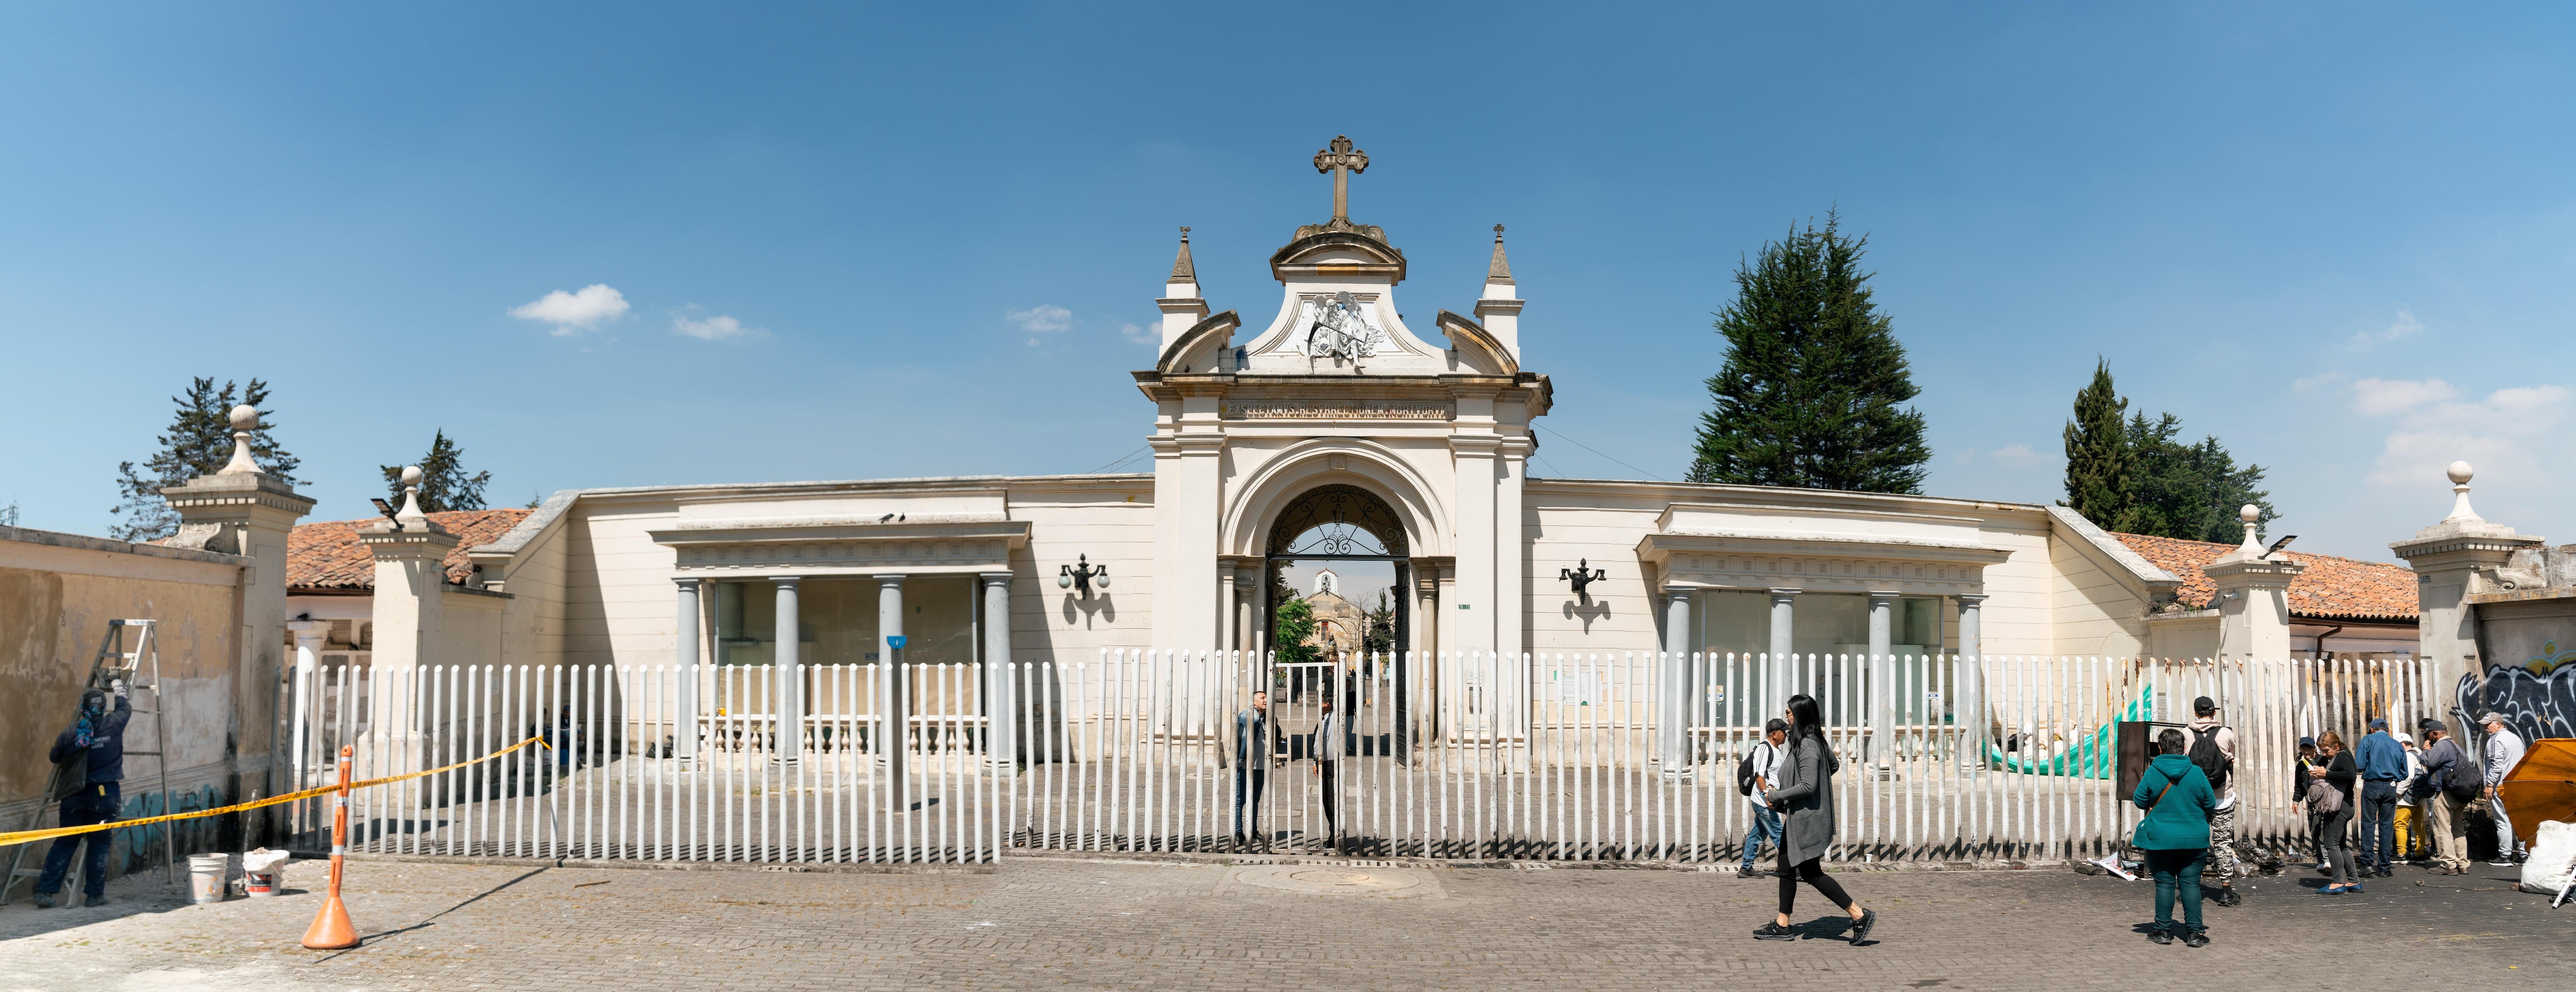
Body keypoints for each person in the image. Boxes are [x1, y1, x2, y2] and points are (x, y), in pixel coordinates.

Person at [1753, 694, 1876, 945]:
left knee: (1810, 873)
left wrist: (1779, 794)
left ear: (1800, 715)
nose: (1786, 716)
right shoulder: (1811, 742)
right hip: (1802, 817)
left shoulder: (1808, 746)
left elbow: (1809, 785)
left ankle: (1859, 914)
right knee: (1787, 868)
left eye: (1789, 712)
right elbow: (1832, 765)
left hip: (1808, 820)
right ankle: (1782, 925)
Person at [35, 681, 131, 909]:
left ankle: (45, 892)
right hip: (104, 794)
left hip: (73, 795)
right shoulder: (114, 724)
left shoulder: (71, 733)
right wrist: (118, 684)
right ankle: (95, 896)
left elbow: (54, 758)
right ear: (103, 708)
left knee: (65, 842)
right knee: (99, 844)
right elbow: (124, 707)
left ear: (82, 709)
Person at [2133, 727, 2217, 946]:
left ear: (2160, 748)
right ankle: (2195, 934)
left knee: (2165, 885)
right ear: (2185, 748)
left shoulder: (2153, 771)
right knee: (2191, 885)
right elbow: (2210, 803)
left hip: (2160, 839)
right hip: (2194, 839)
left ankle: (2162, 932)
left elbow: (2140, 800)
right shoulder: (2197, 772)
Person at [2180, 697, 2242, 904]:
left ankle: (2191, 889)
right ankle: (2226, 891)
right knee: (2223, 843)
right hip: (2222, 797)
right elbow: (2231, 757)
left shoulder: (2186, 734)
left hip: (2195, 798)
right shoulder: (2226, 733)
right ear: (2214, 713)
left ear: (2196, 713)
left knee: (2195, 843)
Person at [2414, 720, 2470, 875]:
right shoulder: (2455, 745)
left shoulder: (2442, 745)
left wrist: (2425, 751)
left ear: (2436, 733)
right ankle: (2463, 864)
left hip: (2446, 793)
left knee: (2442, 828)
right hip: (2460, 793)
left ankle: (2448, 864)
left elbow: (2430, 762)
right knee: (2458, 829)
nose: (2428, 739)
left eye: (2428, 735)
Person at [2308, 730, 2360, 894]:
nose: (2324, 754)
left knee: (2331, 844)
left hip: (2340, 806)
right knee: (2341, 845)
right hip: (2345, 804)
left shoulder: (2343, 756)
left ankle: (2338, 883)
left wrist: (2326, 774)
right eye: (2322, 751)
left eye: (2327, 751)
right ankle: (2354, 881)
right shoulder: (2337, 756)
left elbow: (2351, 775)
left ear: (2336, 746)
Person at [2354, 717, 2405, 878]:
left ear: (2372, 729)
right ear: (2388, 730)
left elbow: (2359, 765)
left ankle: (2367, 864)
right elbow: (2404, 773)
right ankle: (2384, 867)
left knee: (2368, 824)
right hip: (2390, 786)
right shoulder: (2397, 745)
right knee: (2387, 827)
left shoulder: (2368, 740)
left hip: (2372, 785)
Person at [1738, 718, 1788, 879]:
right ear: (1774, 734)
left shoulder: (1776, 750)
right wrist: (1768, 797)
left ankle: (1746, 868)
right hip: (1764, 802)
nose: (1786, 735)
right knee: (1780, 835)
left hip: (1769, 801)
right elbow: (1759, 776)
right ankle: (1795, 868)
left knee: (1757, 834)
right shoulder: (1764, 748)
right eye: (1783, 732)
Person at [2478, 712, 2528, 866]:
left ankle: (2505, 855)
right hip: (2517, 785)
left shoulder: (2496, 739)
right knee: (2520, 820)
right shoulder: (2516, 739)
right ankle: (2524, 855)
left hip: (2501, 786)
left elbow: (2496, 765)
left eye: (2488, 724)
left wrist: (2489, 785)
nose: (2486, 728)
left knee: (2503, 820)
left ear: (2498, 724)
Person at [1232, 691, 1278, 849]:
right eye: (1262, 698)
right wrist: (1240, 759)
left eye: (1266, 698)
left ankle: (1252, 830)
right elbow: (1243, 739)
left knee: (1255, 801)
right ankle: (1238, 834)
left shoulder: (1264, 717)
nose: (1266, 700)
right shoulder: (1248, 715)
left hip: (1260, 766)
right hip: (1246, 766)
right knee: (1240, 801)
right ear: (1253, 702)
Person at [1313, 690, 1345, 852]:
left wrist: (1336, 671)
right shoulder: (1324, 719)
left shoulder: (1336, 718)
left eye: (1321, 703)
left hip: (1333, 764)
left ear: (1328, 704)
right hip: (1323, 763)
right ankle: (1334, 834)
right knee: (1327, 802)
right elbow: (1318, 741)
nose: (1318, 706)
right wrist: (1315, 761)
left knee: (1333, 803)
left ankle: (1335, 838)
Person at [2393, 732, 2423, 863]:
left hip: (2408, 797)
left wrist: (2399, 792)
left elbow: (2408, 777)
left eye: (2400, 745)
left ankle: (2401, 855)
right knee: (2418, 825)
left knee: (2400, 824)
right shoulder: (2419, 755)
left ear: (2408, 744)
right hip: (2419, 796)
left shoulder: (2408, 756)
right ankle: (2419, 854)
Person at [2292, 736, 2322, 868]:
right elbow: (2299, 786)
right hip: (2311, 801)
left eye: (2309, 748)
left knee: (2326, 830)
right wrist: (2296, 801)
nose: (2306, 751)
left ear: (2315, 748)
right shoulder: (2301, 766)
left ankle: (2329, 859)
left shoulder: (2323, 761)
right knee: (2315, 829)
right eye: (2303, 749)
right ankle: (2321, 859)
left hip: (2325, 800)